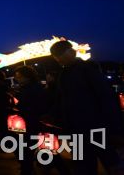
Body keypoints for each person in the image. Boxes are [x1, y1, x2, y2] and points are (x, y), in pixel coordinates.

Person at [49, 40, 124, 174]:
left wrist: (114, 128)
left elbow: (107, 99)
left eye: (60, 54)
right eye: (55, 56)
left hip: (96, 128)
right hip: (75, 131)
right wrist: (57, 120)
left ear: (71, 52)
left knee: (110, 162)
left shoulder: (88, 70)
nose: (58, 58)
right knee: (82, 167)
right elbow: (61, 101)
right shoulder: (63, 74)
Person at [13, 66, 48, 175]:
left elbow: (29, 106)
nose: (17, 79)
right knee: (28, 149)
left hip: (32, 122)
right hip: (31, 123)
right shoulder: (32, 87)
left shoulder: (33, 89)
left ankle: (27, 170)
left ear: (27, 77)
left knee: (27, 149)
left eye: (19, 77)